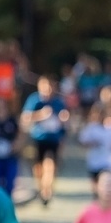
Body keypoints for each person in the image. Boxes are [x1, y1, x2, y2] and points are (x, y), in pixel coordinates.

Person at [22, 76, 69, 206]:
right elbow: (25, 118)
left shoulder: (58, 102)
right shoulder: (34, 100)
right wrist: (41, 115)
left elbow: (65, 119)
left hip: (54, 138)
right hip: (38, 138)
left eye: (49, 87)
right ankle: (41, 187)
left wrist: (64, 119)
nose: (47, 90)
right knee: (38, 166)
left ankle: (47, 191)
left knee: (51, 164)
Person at [78, 100, 111, 192]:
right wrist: (92, 143)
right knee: (96, 188)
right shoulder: (92, 128)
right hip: (94, 162)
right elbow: (82, 141)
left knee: (107, 186)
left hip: (109, 163)